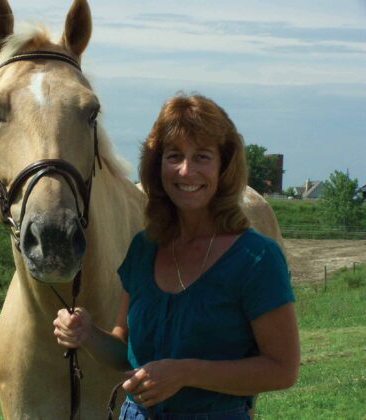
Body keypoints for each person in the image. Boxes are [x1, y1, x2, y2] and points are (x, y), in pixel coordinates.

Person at [53, 93, 300, 419]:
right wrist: (86, 333)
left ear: (224, 166)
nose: (186, 170)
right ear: (157, 167)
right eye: (174, 156)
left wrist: (185, 373)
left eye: (201, 157)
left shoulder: (256, 258)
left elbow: (282, 369)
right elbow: (125, 351)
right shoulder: (143, 249)